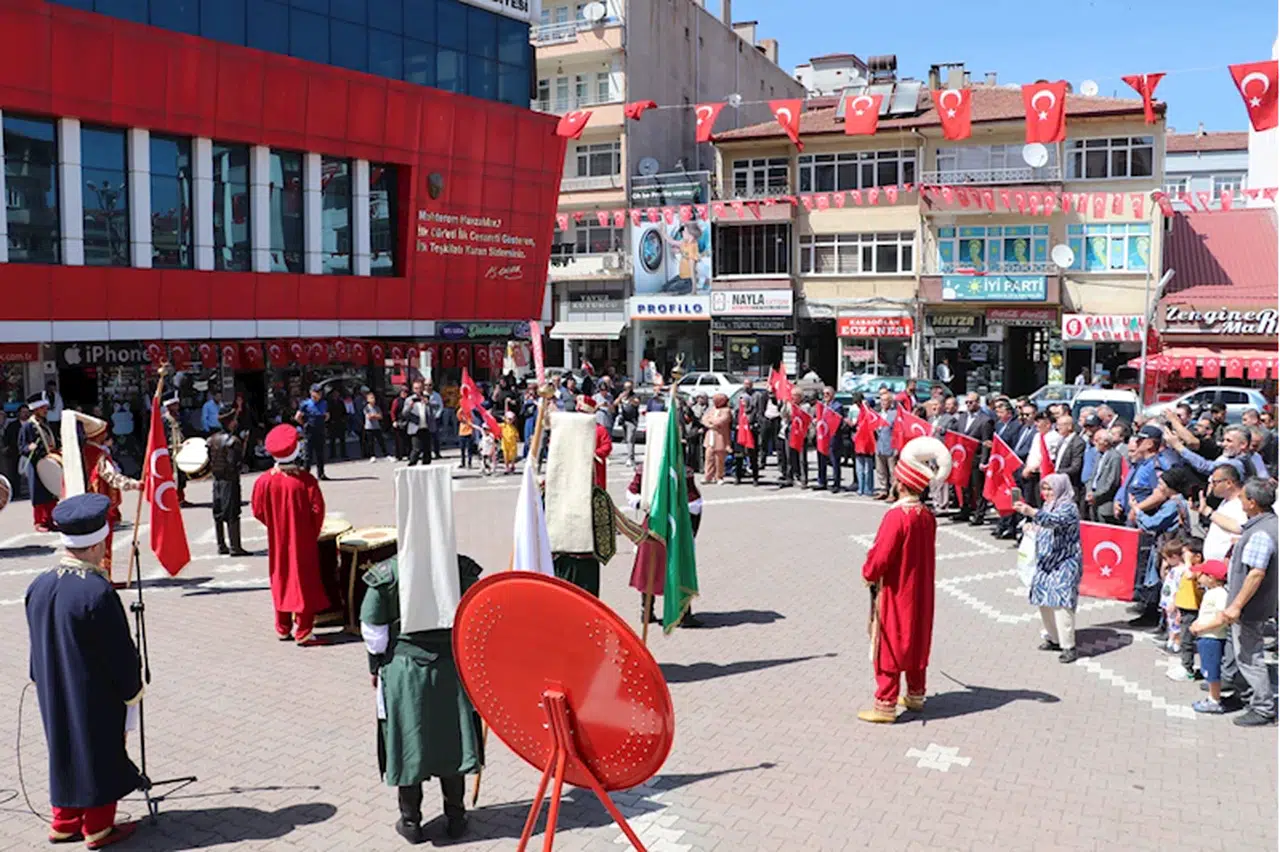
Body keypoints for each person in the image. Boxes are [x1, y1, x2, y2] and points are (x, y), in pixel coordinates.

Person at [362, 466, 484, 843]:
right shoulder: (462, 569)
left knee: (410, 743)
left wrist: (375, 667)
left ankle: (411, 821)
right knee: (453, 742)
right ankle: (457, 817)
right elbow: (479, 623)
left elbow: (374, 635)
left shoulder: (386, 575)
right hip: (452, 668)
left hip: (405, 670)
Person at [25, 493, 143, 849]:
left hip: (52, 684)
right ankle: (98, 826)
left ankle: (64, 820)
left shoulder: (40, 584)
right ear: (100, 541)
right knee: (100, 750)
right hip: (93, 690)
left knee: (62, 746)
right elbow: (119, 652)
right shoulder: (97, 591)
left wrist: (39, 676)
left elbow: (35, 644)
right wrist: (130, 688)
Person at [857, 437, 952, 723]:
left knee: (890, 640)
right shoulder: (927, 515)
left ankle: (885, 703)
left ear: (900, 483)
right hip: (921, 586)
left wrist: (868, 572)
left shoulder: (897, 517)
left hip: (897, 588)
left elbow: (882, 556)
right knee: (917, 637)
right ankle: (915, 694)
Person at [252, 424, 329, 644]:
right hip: (302, 539)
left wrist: (275, 524)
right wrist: (310, 531)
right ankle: (304, 629)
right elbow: (317, 511)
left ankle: (283, 626)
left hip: (277, 539)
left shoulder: (264, 481)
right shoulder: (306, 481)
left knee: (281, 577)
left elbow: (257, 511)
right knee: (303, 580)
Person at [1218, 478, 1278, 727]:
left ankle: (1263, 707)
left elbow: (1255, 574)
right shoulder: (1268, 524)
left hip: (1250, 607)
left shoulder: (1262, 533)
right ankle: (1243, 694)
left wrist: (1236, 605)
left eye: (1242, 497)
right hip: (1258, 604)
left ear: (1252, 503)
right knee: (1242, 650)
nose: (1239, 501)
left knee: (1249, 656)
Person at [1013, 473, 1084, 663]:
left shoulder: (1069, 507)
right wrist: (1032, 528)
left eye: (1050, 489)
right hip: (1046, 561)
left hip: (1065, 562)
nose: (1046, 493)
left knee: (1062, 603)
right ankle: (1053, 638)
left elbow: (1055, 521)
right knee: (1043, 600)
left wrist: (1031, 512)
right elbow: (1045, 525)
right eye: (1044, 489)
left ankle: (1068, 646)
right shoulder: (1047, 505)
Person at [626, 461, 703, 627]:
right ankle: (659, 613)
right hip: (664, 525)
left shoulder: (678, 467)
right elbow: (695, 504)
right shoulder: (648, 467)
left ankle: (669, 613)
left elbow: (693, 502)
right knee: (660, 568)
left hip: (665, 525)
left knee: (665, 568)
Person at [1186, 558, 1231, 713]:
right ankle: (1213, 697)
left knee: (1212, 669)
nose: (1199, 576)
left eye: (1202, 574)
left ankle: (1215, 700)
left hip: (1213, 637)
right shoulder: (1211, 593)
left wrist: (1201, 627)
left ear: (1211, 577)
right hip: (1206, 636)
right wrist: (1197, 624)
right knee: (1207, 667)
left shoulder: (1219, 594)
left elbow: (1220, 619)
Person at [208, 403, 251, 557]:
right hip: (230, 481)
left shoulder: (211, 440)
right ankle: (235, 546)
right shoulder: (234, 442)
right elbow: (234, 464)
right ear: (230, 421)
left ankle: (221, 545)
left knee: (218, 513)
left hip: (216, 480)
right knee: (232, 512)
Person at [1167, 537, 1205, 682]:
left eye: (1186, 554)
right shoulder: (1187, 569)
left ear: (1197, 556)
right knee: (1184, 640)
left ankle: (1187, 669)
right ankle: (1185, 665)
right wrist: (1177, 609)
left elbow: (1190, 576)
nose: (1183, 557)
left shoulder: (1198, 569)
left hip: (1193, 610)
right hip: (1184, 609)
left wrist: (1189, 562)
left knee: (1188, 641)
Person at [953, 392, 994, 523]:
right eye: (967, 402)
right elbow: (955, 432)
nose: (969, 405)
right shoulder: (963, 417)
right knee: (964, 485)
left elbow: (986, 442)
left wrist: (984, 461)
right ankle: (965, 510)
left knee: (978, 487)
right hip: (963, 458)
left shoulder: (985, 420)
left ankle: (979, 514)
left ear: (977, 403)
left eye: (971, 402)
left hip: (976, 457)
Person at [21, 394, 59, 531]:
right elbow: (22, 447)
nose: (46, 410)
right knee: (39, 494)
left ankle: (50, 520)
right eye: (43, 408)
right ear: (36, 409)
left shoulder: (45, 423)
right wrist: (28, 447)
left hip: (48, 462)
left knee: (51, 492)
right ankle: (39, 522)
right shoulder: (28, 426)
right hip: (36, 465)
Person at [1197, 460, 1248, 561]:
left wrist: (1208, 512)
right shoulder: (1225, 502)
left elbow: (1239, 527)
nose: (1211, 486)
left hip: (1227, 566)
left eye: (1215, 482)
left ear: (1229, 483)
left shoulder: (1241, 503)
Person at [1085, 429, 1124, 523]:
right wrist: (1089, 491)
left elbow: (1112, 482)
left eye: (1097, 440)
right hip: (1093, 501)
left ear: (1106, 442)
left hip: (1105, 503)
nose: (1095, 443)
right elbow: (1092, 476)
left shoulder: (1115, 457)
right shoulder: (1098, 455)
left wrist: (1095, 495)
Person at [576, 396, 613, 489]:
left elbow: (607, 446)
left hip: (595, 467)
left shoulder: (600, 429)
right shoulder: (574, 429)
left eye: (584, 413)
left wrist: (595, 453)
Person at [295, 384, 330, 480]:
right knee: (308, 454)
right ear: (312, 393)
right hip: (310, 430)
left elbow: (327, 415)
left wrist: (323, 422)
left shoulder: (324, 403)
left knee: (320, 453)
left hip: (320, 430)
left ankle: (321, 474)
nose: (319, 394)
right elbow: (297, 416)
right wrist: (304, 424)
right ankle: (306, 474)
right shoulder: (305, 404)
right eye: (317, 392)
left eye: (320, 392)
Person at [701, 393, 731, 484]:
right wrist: (710, 424)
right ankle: (708, 476)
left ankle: (719, 477)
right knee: (708, 458)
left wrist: (711, 420)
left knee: (719, 459)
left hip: (720, 437)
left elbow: (721, 421)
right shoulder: (712, 409)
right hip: (710, 436)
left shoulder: (726, 410)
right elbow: (704, 419)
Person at [617, 381, 641, 466]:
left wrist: (630, 399)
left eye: (629, 387)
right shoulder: (622, 395)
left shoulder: (635, 396)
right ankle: (630, 456)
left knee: (630, 439)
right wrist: (620, 398)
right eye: (626, 387)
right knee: (627, 439)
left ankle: (630, 458)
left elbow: (636, 402)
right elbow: (615, 403)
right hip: (624, 420)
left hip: (632, 420)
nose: (627, 389)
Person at [362, 391, 388, 462]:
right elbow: (369, 416)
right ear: (367, 399)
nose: (373, 399)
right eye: (371, 398)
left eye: (373, 398)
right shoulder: (366, 408)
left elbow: (380, 416)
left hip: (377, 426)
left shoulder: (377, 407)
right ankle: (372, 455)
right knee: (370, 442)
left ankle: (386, 454)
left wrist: (374, 416)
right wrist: (375, 416)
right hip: (369, 427)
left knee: (381, 441)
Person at [390, 386, 410, 461]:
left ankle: (407, 453)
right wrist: (394, 421)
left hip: (408, 421)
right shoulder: (397, 401)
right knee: (399, 439)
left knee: (407, 439)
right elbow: (393, 411)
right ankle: (399, 455)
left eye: (406, 392)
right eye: (403, 392)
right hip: (399, 421)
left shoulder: (409, 400)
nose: (404, 393)